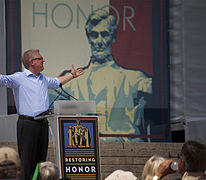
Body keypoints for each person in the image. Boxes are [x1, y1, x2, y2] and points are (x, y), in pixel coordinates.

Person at [0, 49, 83, 179]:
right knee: (27, 162)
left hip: (43, 123)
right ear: (32, 62)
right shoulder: (20, 77)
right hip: (28, 124)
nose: (43, 60)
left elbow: (57, 82)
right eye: (40, 58)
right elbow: (1, 79)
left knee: (41, 162)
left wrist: (72, 75)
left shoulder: (43, 79)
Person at [60, 8, 152, 142]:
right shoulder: (71, 83)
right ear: (88, 37)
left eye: (104, 34)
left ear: (113, 36)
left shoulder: (135, 79)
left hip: (125, 151)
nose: (99, 41)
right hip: (84, 147)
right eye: (94, 35)